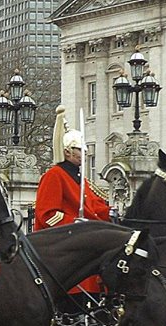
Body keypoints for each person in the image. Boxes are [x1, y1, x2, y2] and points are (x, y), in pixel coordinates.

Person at [34, 106, 110, 315]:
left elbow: (93, 207)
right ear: (68, 151)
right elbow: (47, 214)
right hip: (65, 238)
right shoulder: (54, 175)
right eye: (80, 150)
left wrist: (110, 215)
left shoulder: (81, 179)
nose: (84, 153)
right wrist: (76, 225)